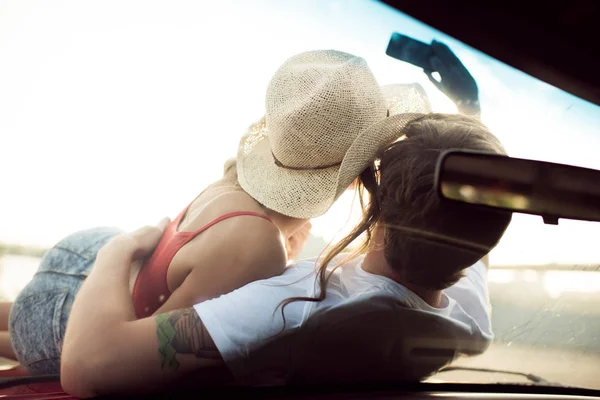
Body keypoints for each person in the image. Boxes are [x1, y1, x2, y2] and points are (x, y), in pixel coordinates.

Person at [4, 49, 433, 375]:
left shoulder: (236, 192)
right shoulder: (256, 243)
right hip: (71, 307)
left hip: (83, 268)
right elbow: (135, 359)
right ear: (355, 175)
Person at [59, 112, 513, 397]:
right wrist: (469, 111)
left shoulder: (290, 304)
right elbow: (467, 216)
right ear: (485, 242)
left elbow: (88, 369)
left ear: (374, 207)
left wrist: (116, 252)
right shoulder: (473, 320)